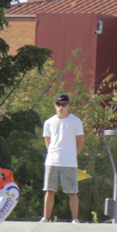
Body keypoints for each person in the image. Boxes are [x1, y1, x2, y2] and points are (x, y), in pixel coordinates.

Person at [40, 93, 85, 223]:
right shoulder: (49, 122)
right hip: (52, 160)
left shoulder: (75, 121)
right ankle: (46, 217)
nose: (61, 107)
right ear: (55, 105)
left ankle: (75, 219)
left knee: (72, 191)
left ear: (68, 105)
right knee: (49, 190)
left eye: (64, 104)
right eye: (58, 104)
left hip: (69, 162)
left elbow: (81, 142)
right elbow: (47, 142)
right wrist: (53, 153)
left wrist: (72, 154)